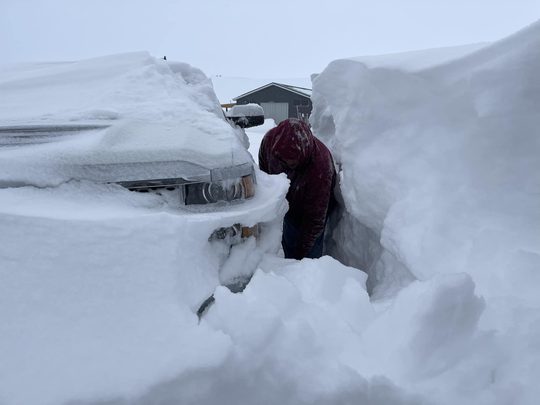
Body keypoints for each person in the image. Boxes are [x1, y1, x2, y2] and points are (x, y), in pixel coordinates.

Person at [259, 118, 336, 260]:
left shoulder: (321, 167)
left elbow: (315, 221)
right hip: (289, 205)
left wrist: (302, 255)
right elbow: (264, 178)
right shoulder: (269, 142)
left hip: (315, 207)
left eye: (293, 161)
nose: (289, 164)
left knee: (309, 253)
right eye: (284, 160)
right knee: (289, 239)